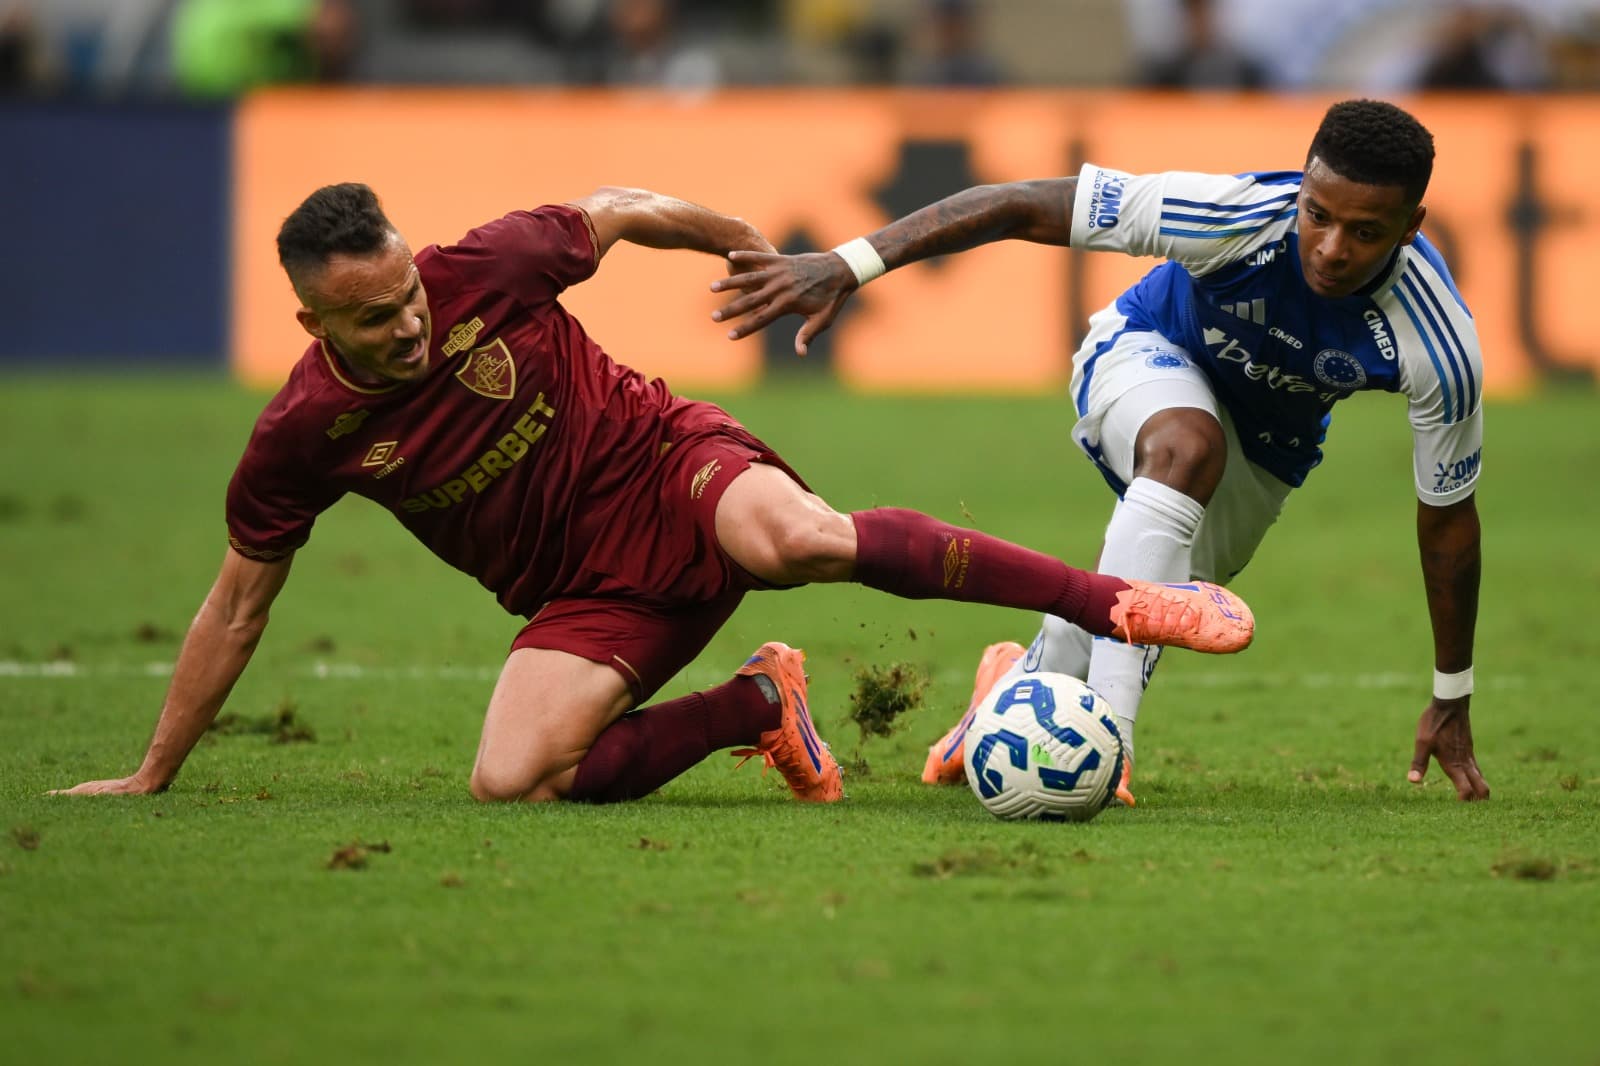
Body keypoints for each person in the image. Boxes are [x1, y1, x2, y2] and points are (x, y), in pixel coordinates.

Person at [53, 183, 1254, 806]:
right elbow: (236, 606)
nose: (410, 324)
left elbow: (621, 210)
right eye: (374, 318)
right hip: (588, 595)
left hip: (668, 467)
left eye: (410, 294)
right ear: (313, 321)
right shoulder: (301, 436)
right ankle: (758, 704)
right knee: (512, 780)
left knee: (796, 538)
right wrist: (156, 768)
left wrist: (744, 244)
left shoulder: (487, 265)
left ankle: (1114, 605)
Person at [710, 99, 1489, 803]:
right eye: (1317, 215)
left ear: (1410, 226)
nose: (1330, 248)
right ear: (1302, 191)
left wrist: (1451, 693)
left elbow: (1448, 519)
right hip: (1145, 353)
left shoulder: (1439, 342)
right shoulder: (1230, 216)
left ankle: (1005, 698)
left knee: (1146, 589)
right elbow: (1016, 203)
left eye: (1365, 232)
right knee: (1187, 447)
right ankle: (1114, 743)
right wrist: (849, 264)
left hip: (1266, 456)